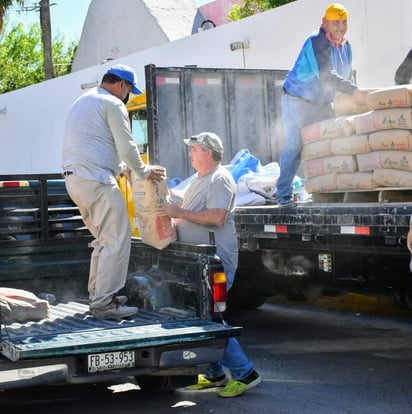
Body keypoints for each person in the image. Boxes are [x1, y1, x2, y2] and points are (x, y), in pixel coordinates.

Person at [159, 132, 262, 398]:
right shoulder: (199, 179)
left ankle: (245, 373)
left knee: (211, 319)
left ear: (207, 152)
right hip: (197, 262)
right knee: (199, 318)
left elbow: (217, 217)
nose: (190, 153)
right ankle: (215, 374)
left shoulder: (219, 179)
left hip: (214, 262)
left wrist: (179, 213)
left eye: (194, 149)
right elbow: (186, 205)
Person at [62, 64, 165, 320]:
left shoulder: (85, 100)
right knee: (118, 239)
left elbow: (95, 145)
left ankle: (98, 296)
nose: (128, 96)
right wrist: (143, 172)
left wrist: (122, 169)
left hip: (76, 180)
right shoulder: (113, 103)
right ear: (122, 85)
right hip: (97, 180)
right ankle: (105, 304)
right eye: (129, 90)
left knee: (104, 241)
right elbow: (127, 146)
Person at [276, 3, 369, 207]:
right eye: (336, 22)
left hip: (321, 102)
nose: (341, 27)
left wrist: (348, 95)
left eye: (344, 22)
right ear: (324, 23)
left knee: (333, 141)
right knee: (295, 144)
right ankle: (283, 195)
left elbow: (344, 74)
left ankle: (325, 190)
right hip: (297, 99)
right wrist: (354, 91)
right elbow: (326, 75)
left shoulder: (346, 46)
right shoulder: (316, 41)